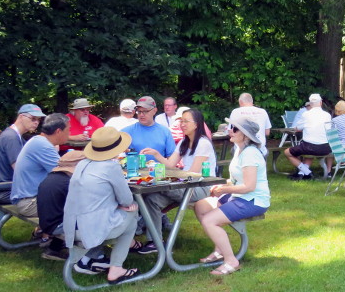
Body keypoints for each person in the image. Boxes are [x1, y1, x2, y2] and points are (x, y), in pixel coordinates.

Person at [193, 114, 270, 277]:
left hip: (253, 200)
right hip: (240, 196)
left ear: (245, 135)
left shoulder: (250, 153)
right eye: (230, 128)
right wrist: (224, 185)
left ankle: (231, 261)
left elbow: (249, 186)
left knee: (209, 220)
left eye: (234, 129)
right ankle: (219, 249)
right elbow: (236, 180)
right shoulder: (239, 150)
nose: (230, 131)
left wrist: (224, 190)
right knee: (200, 206)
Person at [63, 126, 141, 284]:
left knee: (124, 214)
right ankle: (116, 268)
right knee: (133, 213)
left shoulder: (82, 164)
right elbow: (126, 200)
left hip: (71, 227)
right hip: (90, 229)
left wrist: (118, 206)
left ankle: (91, 258)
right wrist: (123, 206)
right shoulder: (111, 167)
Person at [140, 107, 217, 229]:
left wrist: (168, 178)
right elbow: (170, 164)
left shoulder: (203, 143)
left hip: (200, 187)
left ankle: (139, 224)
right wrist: (156, 154)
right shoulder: (183, 142)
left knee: (156, 184)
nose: (182, 124)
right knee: (152, 200)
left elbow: (193, 173)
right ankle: (154, 242)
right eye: (181, 121)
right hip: (186, 185)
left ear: (196, 124)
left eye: (186, 121)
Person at [11, 113, 70, 225]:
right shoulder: (43, 146)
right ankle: (60, 238)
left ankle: (46, 235)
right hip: (30, 203)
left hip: (28, 199)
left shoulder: (38, 141)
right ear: (58, 131)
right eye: (68, 130)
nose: (70, 133)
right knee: (80, 207)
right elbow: (65, 174)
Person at [0, 103, 44, 206]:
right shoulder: (11, 138)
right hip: (3, 190)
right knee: (52, 195)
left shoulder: (16, 136)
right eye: (33, 118)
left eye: (39, 120)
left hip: (8, 187)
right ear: (21, 116)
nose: (36, 122)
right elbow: (20, 169)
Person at [36, 150, 86, 262]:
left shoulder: (53, 178)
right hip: (57, 225)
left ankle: (53, 249)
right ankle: (90, 258)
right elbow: (83, 205)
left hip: (47, 222)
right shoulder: (68, 183)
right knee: (95, 218)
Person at [285, 93, 332, 180]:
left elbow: (298, 128)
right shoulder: (327, 115)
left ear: (310, 104)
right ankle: (301, 173)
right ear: (321, 103)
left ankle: (307, 172)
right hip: (325, 147)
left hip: (309, 146)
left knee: (287, 152)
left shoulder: (306, 114)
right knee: (308, 155)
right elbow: (329, 131)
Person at [126, 96, 176, 163]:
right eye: (139, 111)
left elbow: (172, 160)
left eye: (145, 111)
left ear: (154, 111)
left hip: (159, 172)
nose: (141, 115)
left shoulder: (165, 132)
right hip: (135, 172)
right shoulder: (126, 132)